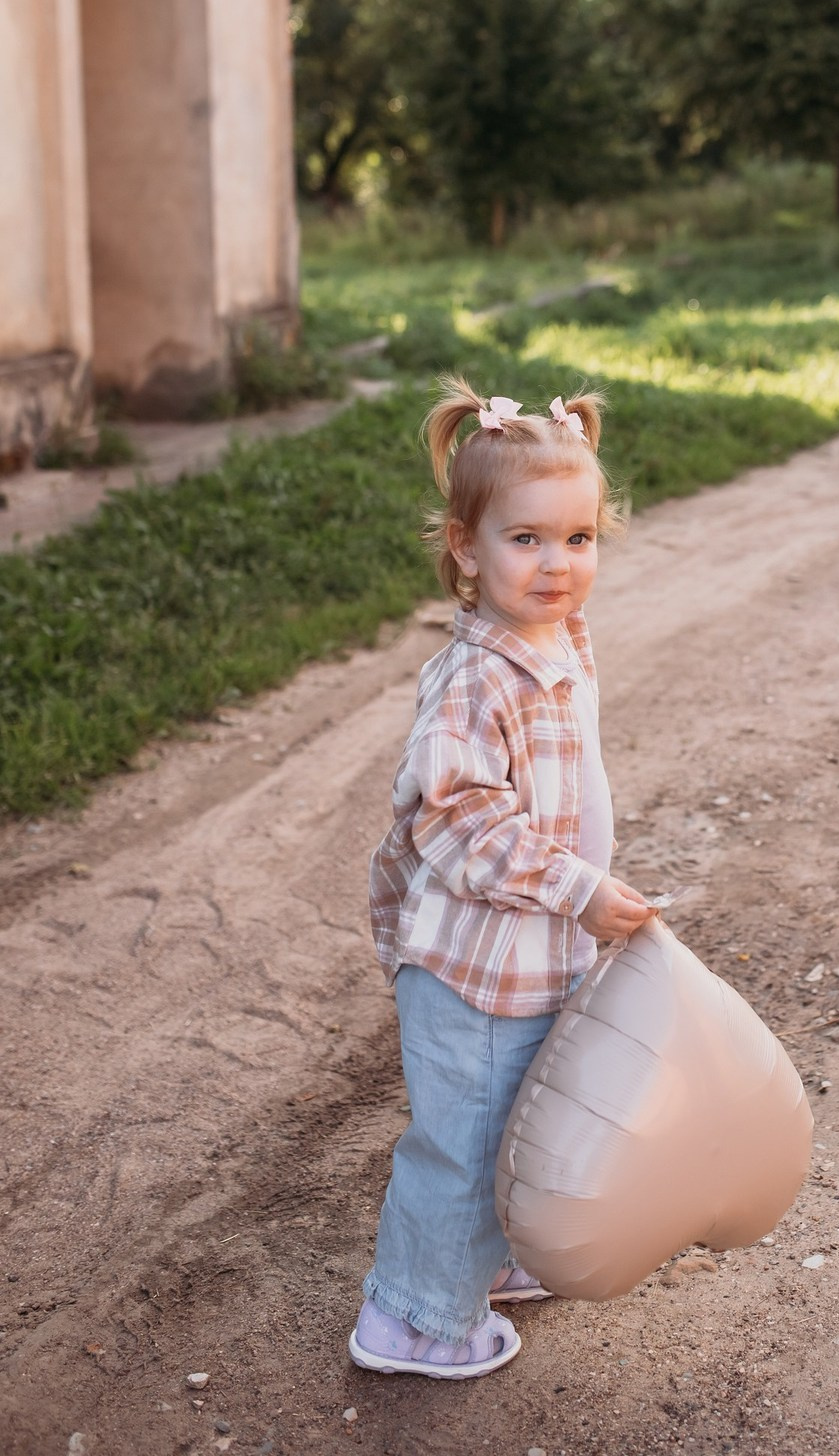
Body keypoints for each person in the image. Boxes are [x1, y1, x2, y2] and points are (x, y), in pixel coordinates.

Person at [349, 377, 653, 1379]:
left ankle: (483, 1260)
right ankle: (415, 1320)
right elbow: (465, 821)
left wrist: (580, 897)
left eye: (578, 538)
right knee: (465, 1142)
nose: (557, 564)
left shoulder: (557, 638)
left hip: (534, 958)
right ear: (463, 547)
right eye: (525, 539)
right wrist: (577, 889)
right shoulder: (475, 678)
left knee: (522, 1118)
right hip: (472, 974)